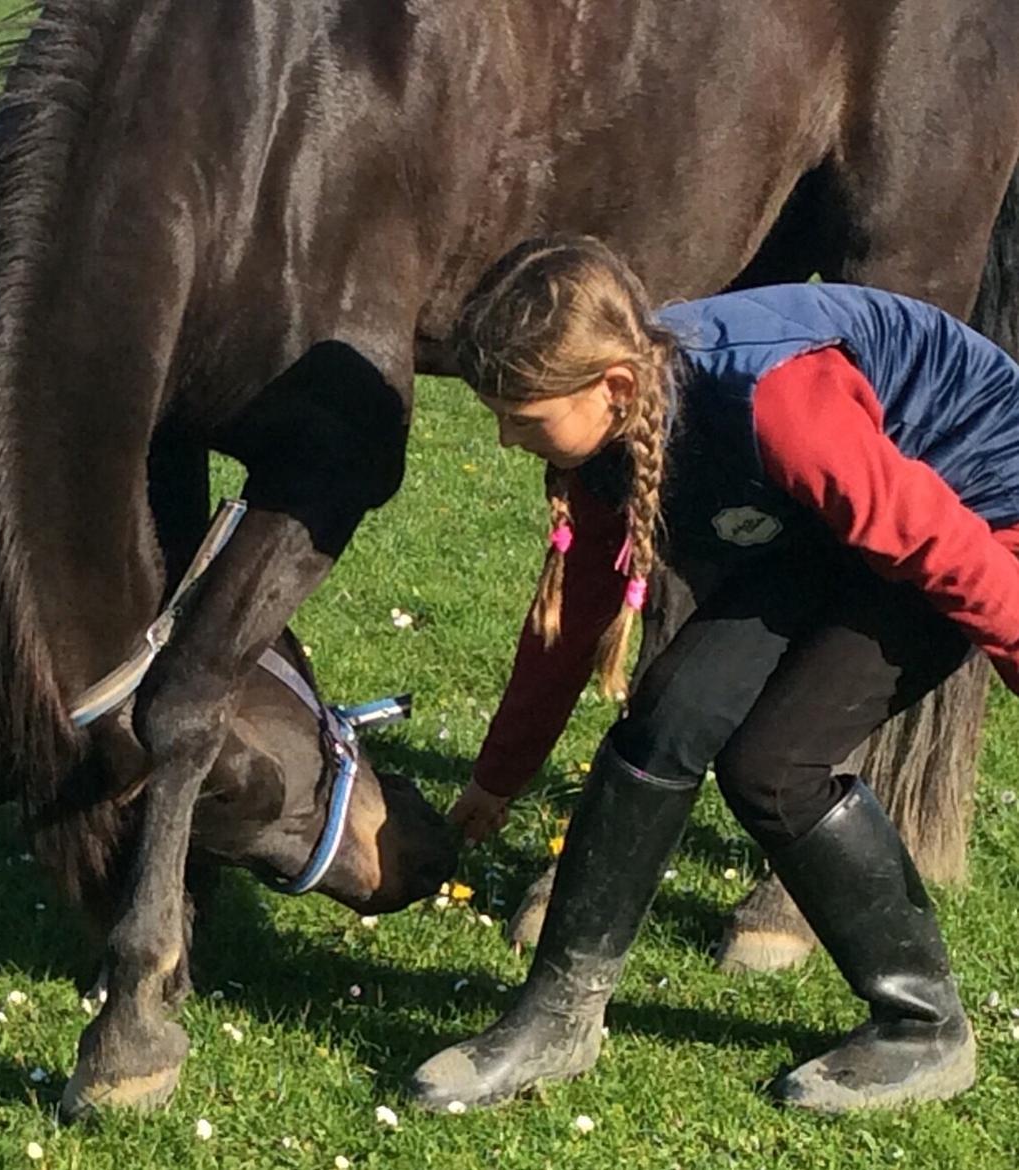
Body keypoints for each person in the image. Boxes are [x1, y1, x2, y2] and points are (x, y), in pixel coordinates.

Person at [411, 234, 1019, 1113]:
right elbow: (573, 614)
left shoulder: (781, 403)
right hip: (836, 517)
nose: (508, 441)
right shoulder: (611, 440)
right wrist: (499, 774)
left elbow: (936, 543)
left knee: (776, 765)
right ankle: (557, 1020)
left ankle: (925, 1029)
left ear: (614, 386)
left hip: (974, 507)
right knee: (666, 716)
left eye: (523, 416)